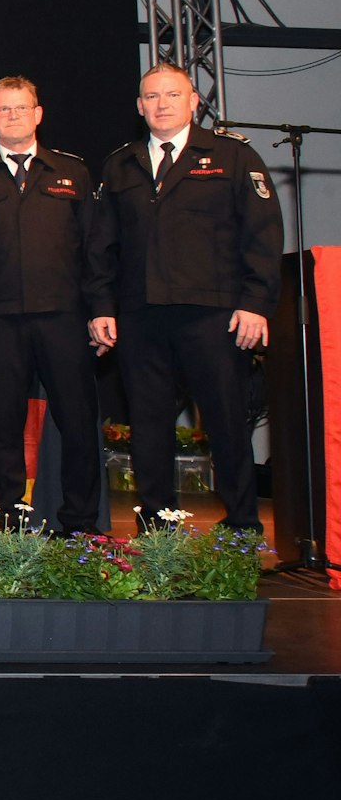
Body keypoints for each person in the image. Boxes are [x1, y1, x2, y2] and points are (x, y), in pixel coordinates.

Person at [85, 64, 282, 532]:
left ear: (194, 101)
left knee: (227, 423)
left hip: (213, 315)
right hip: (141, 316)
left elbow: (263, 236)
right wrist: (100, 307)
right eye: (151, 97)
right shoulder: (121, 165)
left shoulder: (232, 158)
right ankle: (157, 528)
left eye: (172, 95)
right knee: (149, 427)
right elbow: (100, 248)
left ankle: (242, 528)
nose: (162, 104)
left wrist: (255, 302)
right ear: (139, 107)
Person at [0, 75, 103, 534]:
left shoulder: (71, 171)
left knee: (77, 422)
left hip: (64, 318)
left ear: (38, 114)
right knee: (3, 424)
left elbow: (94, 250)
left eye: (20, 108)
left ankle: (79, 521)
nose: (12, 116)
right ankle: (6, 523)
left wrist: (101, 310)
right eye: (2, 109)